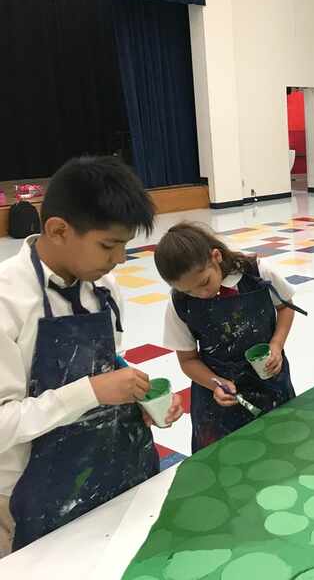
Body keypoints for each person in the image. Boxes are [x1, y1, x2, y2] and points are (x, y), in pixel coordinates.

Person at [0, 156, 183, 556]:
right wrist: (92, 392)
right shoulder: (7, 302)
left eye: (124, 246)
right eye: (108, 245)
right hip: (31, 501)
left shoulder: (102, 287)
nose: (119, 260)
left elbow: (107, 366)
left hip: (118, 472)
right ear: (58, 230)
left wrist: (141, 400)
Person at [155, 222, 306, 453]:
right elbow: (188, 360)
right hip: (218, 400)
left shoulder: (257, 272)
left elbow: (286, 307)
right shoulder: (179, 304)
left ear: (215, 256)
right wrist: (214, 383)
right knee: (225, 463)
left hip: (270, 382)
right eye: (189, 291)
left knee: (281, 450)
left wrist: (276, 344)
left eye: (204, 282)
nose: (201, 294)